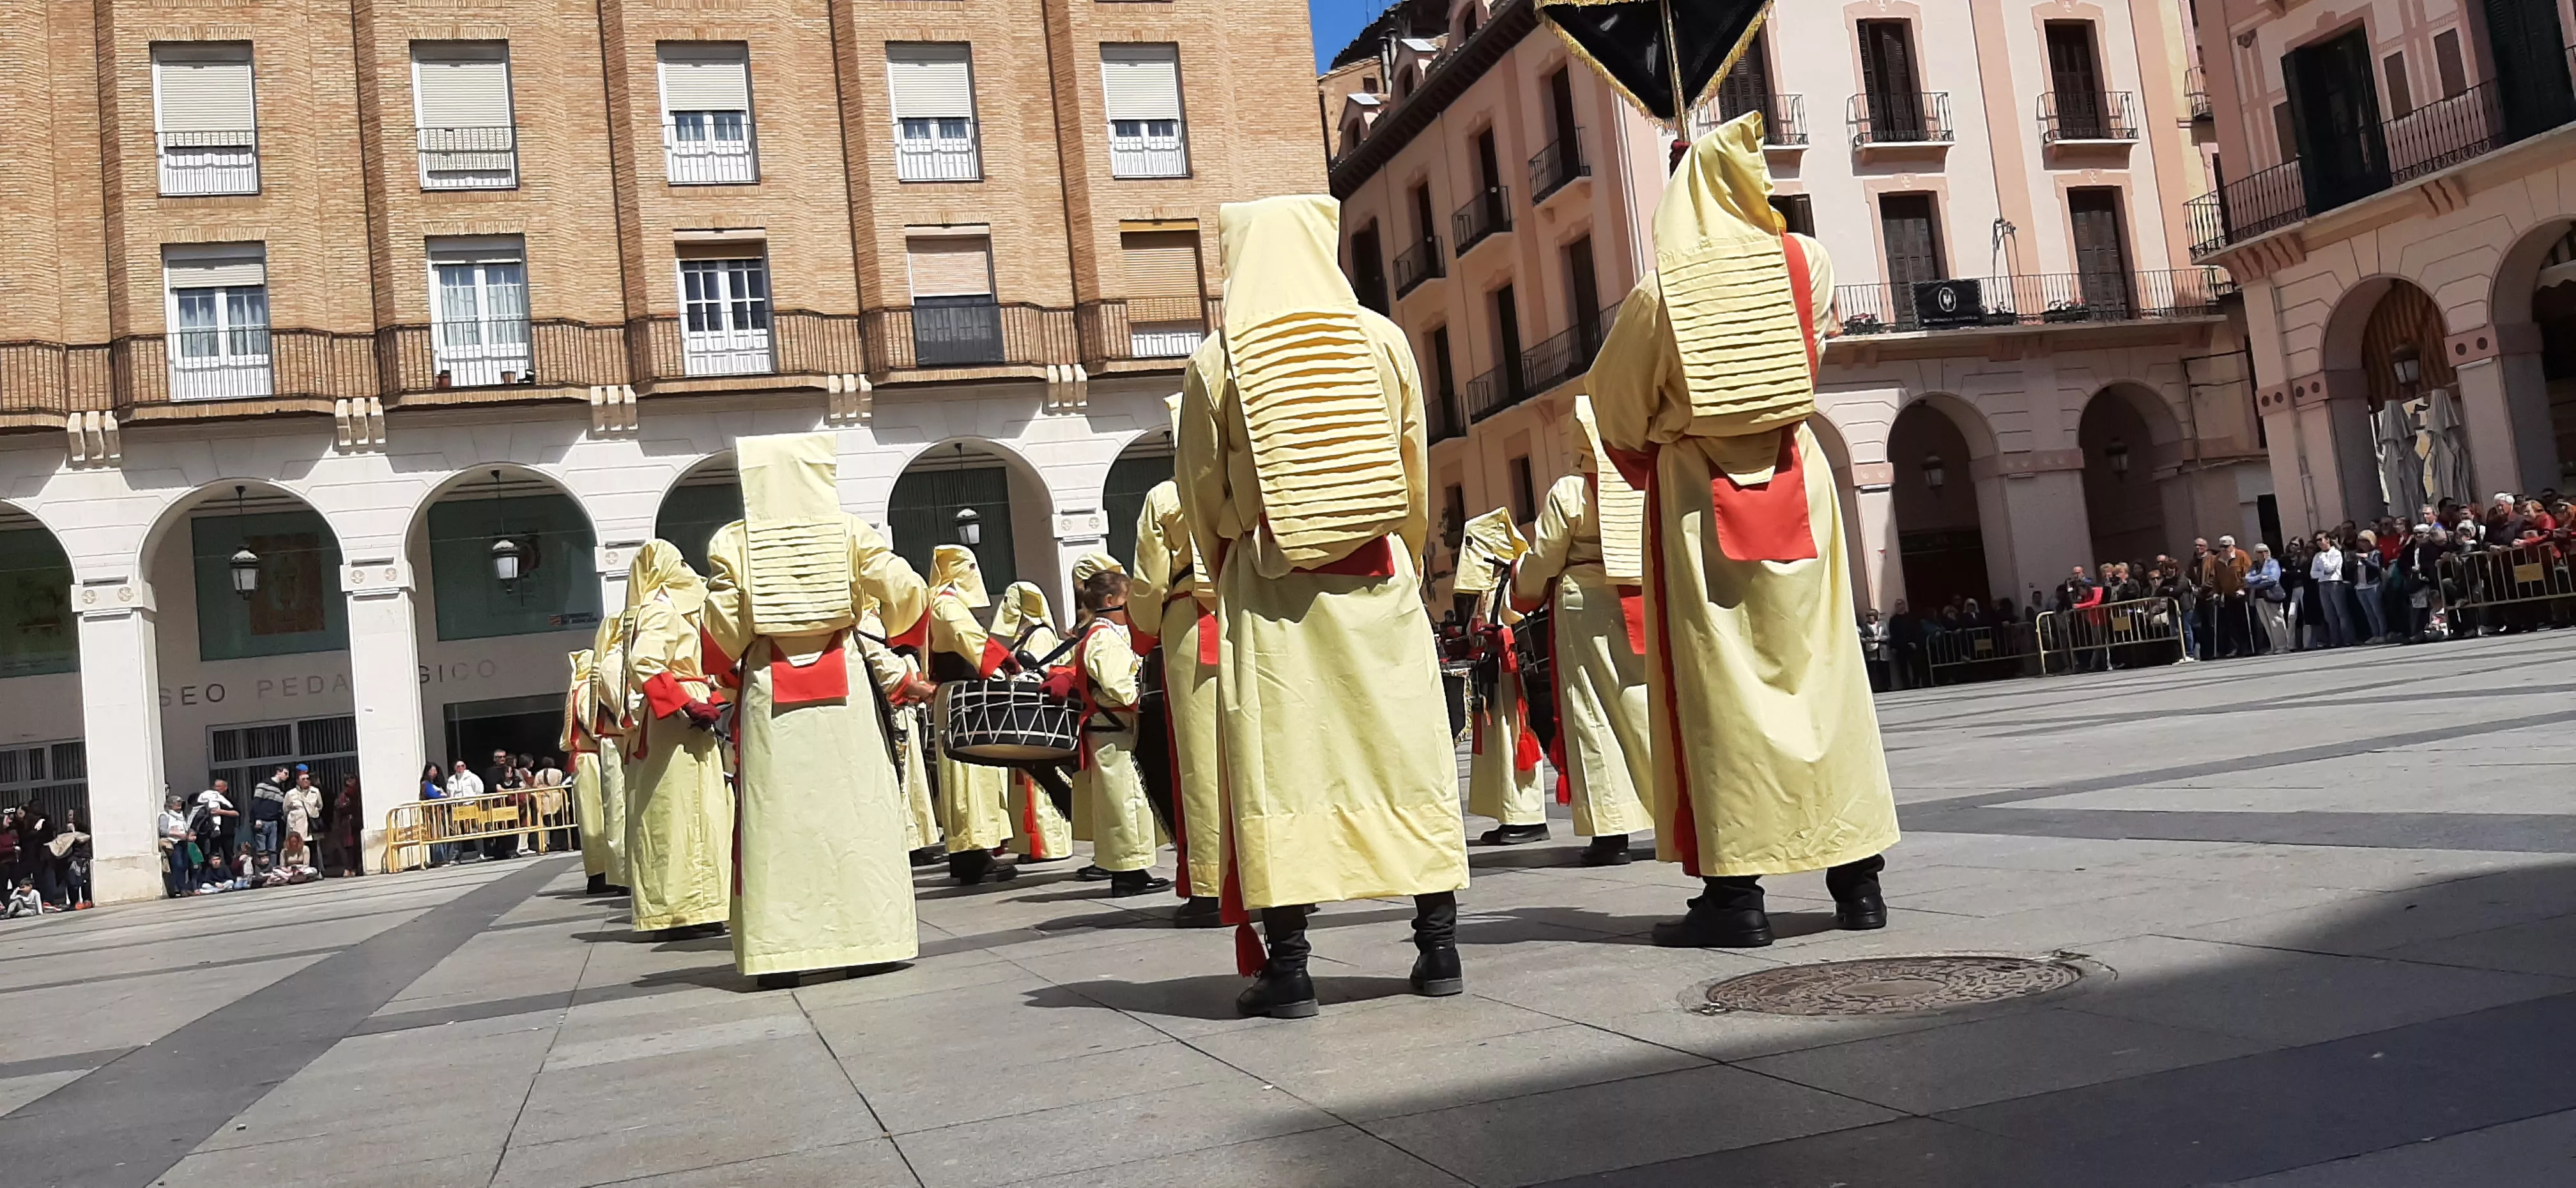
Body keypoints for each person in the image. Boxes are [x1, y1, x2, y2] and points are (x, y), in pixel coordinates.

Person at [1584, 118, 1899, 948]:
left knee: (1717, 691)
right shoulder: (1810, 262)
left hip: (1697, 493)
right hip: (1797, 478)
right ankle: (1857, 881)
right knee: (1825, 677)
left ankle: (1737, 897)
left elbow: (1614, 413)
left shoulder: (1660, 295)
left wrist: (1673, 435)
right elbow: (1814, 347)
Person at [1174, 193, 1469, 1018]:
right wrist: (1403, 551)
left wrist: (1229, 549)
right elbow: (1413, 467)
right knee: (1403, 751)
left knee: (1282, 764)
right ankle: (1438, 947)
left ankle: (1293, 968)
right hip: (1378, 582)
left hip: (1270, 590)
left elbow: (1199, 487)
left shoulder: (1218, 359)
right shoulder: (1384, 340)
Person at [700, 431, 931, 987]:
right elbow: (907, 591)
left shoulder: (734, 542)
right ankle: (871, 940)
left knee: (777, 817)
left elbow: (719, 634)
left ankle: (782, 955)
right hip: (845, 680)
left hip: (767, 685)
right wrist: (896, 630)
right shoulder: (849, 531)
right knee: (858, 808)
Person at [1506, 394, 1656, 865]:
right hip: (1640, 596)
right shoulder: (1643, 483)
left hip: (1585, 604)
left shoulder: (1569, 492)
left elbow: (1546, 557)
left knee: (1591, 712)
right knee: (1645, 705)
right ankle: (1672, 810)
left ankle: (1611, 833)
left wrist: (1520, 581)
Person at [1126, 449, 1225, 927]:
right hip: (1253, 611)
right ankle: (1286, 881)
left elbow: (1149, 580)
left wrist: (1143, 631)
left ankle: (1212, 884)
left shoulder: (1165, 496)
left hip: (1191, 620)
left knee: (1201, 759)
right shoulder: (1246, 476)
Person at [622, 540, 733, 938]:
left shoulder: (652, 611)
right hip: (678, 727)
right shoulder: (663, 609)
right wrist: (685, 703)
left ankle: (685, 907)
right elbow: (644, 662)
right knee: (689, 813)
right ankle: (689, 910)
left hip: (675, 721)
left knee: (679, 813)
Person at [1060, 562, 1172, 898]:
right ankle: (1129, 873)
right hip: (1113, 732)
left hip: (1111, 731)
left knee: (1122, 802)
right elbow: (1119, 687)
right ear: (1110, 600)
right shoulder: (1104, 639)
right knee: (1125, 802)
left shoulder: (1099, 635)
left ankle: (1131, 869)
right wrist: (1144, 695)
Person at [924, 544, 1017, 885]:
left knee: (969, 775)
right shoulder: (947, 604)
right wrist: (1003, 661)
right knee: (967, 776)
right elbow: (971, 638)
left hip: (960, 695)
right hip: (961, 696)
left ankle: (971, 855)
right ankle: (972, 854)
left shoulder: (941, 602)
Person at [1455, 508, 1548, 846]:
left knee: (1516, 741)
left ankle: (1528, 817)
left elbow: (1526, 622)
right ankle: (1509, 814)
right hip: (1494, 676)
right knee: (1499, 747)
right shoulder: (1490, 586)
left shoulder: (1514, 580)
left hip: (1513, 678)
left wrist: (1502, 637)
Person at [988, 580, 1077, 869]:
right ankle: (1030, 843)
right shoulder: (1024, 635)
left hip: (1034, 711)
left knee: (1040, 783)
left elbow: (1037, 671)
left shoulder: (1039, 635)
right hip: (1022, 711)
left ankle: (1050, 844)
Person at [563, 650, 620, 894]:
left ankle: (598, 872)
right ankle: (603, 872)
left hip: (583, 759)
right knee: (599, 815)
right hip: (592, 759)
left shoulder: (575, 689)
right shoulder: (586, 690)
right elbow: (591, 722)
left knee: (590, 817)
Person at [590, 613, 635, 893]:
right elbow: (623, 708)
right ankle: (621, 872)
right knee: (618, 807)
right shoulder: (612, 664)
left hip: (620, 740)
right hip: (617, 741)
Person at [2246, 544, 2290, 653]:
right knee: (2266, 623)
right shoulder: (2255, 565)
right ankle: (2273, 647)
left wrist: (2256, 582)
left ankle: (2282, 647)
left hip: (2271, 596)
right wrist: (2261, 577)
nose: (2262, 554)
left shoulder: (2273, 563)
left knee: (2276, 621)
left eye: (2264, 551)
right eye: (2259, 552)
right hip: (2258, 597)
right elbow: (2248, 579)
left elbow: (2273, 579)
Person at [2310, 533, 2350, 648]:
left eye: (2320, 539)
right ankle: (2335, 640)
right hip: (2322, 584)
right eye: (2316, 540)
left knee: (2341, 612)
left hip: (2335, 582)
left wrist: (2323, 560)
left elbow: (2331, 568)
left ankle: (2347, 638)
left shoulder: (2336, 553)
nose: (2318, 542)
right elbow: (2313, 573)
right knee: (2329, 614)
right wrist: (2322, 573)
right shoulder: (2317, 556)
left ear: (2327, 540)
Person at [195, 779, 241, 876]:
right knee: (213, 854)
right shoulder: (209, 798)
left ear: (225, 788)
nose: (216, 789)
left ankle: (231, 875)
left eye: (219, 787)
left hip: (227, 831)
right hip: (213, 832)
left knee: (228, 853)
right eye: (215, 787)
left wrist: (221, 812)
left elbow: (236, 813)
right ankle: (212, 876)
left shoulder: (230, 799)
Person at [247, 766, 289, 868]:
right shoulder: (263, 785)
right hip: (262, 821)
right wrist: (257, 819)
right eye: (286, 773)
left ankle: (273, 870)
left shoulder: (281, 790)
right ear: (278, 772)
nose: (287, 777)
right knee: (261, 849)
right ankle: (262, 872)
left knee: (273, 849)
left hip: (274, 821)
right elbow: (256, 803)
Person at [284, 770, 322, 872]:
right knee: (298, 849)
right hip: (297, 826)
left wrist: (314, 813)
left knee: (313, 849)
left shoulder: (315, 792)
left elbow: (320, 805)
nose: (306, 781)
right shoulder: (291, 794)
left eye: (308, 779)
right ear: (297, 781)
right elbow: (286, 809)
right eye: (303, 779)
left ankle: (314, 871)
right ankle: (298, 872)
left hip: (311, 826)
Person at [160, 793, 197, 897]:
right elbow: (163, 831)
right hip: (174, 843)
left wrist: (189, 834)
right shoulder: (165, 816)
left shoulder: (182, 815)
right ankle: (179, 888)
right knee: (178, 865)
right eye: (177, 803)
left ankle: (184, 887)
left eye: (180, 803)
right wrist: (176, 834)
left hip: (184, 842)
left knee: (185, 866)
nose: (179, 805)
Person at [330, 775, 364, 878]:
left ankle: (357, 867)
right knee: (349, 847)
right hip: (347, 824)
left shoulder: (360, 793)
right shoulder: (344, 795)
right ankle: (349, 868)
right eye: (348, 779)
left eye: (352, 778)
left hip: (358, 823)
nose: (350, 781)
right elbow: (339, 808)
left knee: (358, 846)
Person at [1860, 608, 1891, 690]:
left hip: (1882, 650)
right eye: (1868, 616)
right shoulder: (1866, 626)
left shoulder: (1882, 624)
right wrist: (1869, 640)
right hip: (1872, 651)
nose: (1870, 618)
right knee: (1873, 670)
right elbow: (1862, 638)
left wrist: (1880, 638)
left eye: (1872, 616)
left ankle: (1886, 687)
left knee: (1884, 669)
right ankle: (1875, 688)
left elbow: (1888, 636)